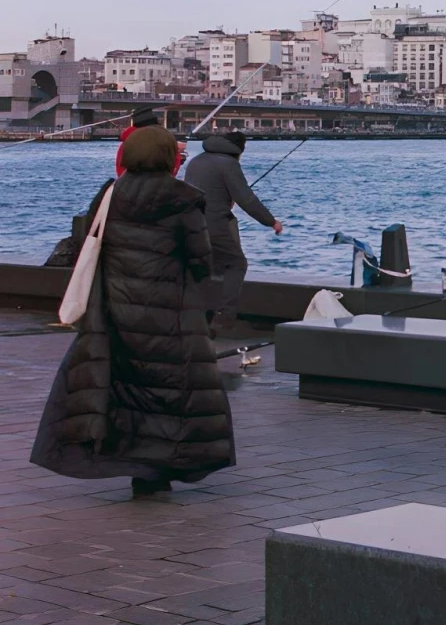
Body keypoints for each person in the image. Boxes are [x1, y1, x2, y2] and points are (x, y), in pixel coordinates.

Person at [31, 123, 235, 499]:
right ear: (170, 158)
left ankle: (131, 462)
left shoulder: (111, 194)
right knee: (170, 389)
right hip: (170, 313)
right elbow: (201, 260)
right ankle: (158, 470)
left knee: (127, 388)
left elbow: (87, 242)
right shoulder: (184, 199)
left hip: (117, 308)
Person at [183, 132, 283, 333]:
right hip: (216, 223)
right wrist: (271, 222)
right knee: (237, 264)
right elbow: (247, 200)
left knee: (204, 266)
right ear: (239, 150)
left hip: (191, 222)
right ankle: (224, 317)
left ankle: (199, 315)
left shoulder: (196, 161)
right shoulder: (229, 164)